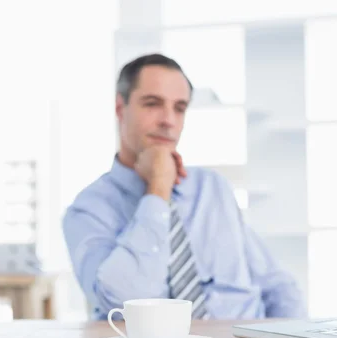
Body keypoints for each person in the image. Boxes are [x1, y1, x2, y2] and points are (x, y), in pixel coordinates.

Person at [62, 53, 306, 320]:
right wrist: (158, 189)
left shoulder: (213, 189)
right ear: (121, 108)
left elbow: (278, 287)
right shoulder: (87, 210)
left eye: (179, 108)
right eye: (152, 104)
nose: (168, 120)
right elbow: (121, 306)